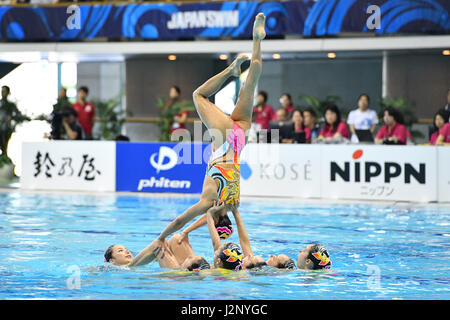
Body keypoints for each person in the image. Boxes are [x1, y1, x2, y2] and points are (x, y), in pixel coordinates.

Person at [130, 13, 267, 265]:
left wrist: (193, 229)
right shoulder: (208, 200)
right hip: (225, 139)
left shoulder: (234, 201)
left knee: (252, 82)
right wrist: (163, 236)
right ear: (216, 220)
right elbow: (179, 220)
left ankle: (257, 42)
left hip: (240, 139)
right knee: (198, 96)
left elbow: (208, 218)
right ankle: (231, 70)